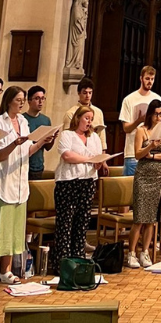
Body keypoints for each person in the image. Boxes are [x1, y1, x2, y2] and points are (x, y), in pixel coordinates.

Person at [0, 87, 53, 289]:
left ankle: (6, 270)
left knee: (12, 231)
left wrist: (42, 142)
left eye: (23, 100)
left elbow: (26, 151)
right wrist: (14, 143)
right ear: (9, 100)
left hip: (19, 184)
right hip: (2, 183)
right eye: (18, 99)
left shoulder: (23, 122)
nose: (21, 103)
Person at [54, 105, 105, 264]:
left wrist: (98, 163)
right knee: (65, 224)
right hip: (68, 183)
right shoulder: (67, 135)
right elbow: (67, 156)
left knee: (81, 224)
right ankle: (62, 263)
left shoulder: (94, 137)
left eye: (91, 119)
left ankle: (78, 260)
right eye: (86, 118)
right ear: (77, 118)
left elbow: (97, 156)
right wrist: (89, 160)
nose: (89, 122)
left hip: (87, 182)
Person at [126, 99, 161, 268]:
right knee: (139, 217)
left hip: (157, 174)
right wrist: (150, 146)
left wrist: (152, 155)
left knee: (152, 218)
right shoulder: (141, 131)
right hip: (143, 174)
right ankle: (131, 253)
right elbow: (138, 154)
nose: (158, 117)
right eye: (156, 114)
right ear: (150, 114)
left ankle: (144, 252)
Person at [119, 66, 161, 176]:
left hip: (152, 153)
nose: (150, 82)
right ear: (141, 78)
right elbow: (126, 128)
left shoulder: (157, 99)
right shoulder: (129, 99)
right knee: (130, 189)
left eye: (152, 79)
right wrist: (138, 121)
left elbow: (160, 124)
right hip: (132, 153)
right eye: (147, 79)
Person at [64, 77, 106, 150]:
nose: (87, 96)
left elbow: (102, 136)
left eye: (90, 93)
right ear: (79, 93)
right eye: (85, 93)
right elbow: (66, 135)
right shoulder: (71, 113)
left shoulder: (98, 112)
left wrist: (103, 151)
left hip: (94, 148)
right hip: (77, 148)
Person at [23, 86, 55, 181]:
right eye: (37, 98)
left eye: (42, 98)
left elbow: (47, 147)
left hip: (38, 166)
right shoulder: (22, 119)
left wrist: (52, 138)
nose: (40, 102)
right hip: (24, 163)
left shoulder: (45, 120)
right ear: (29, 101)